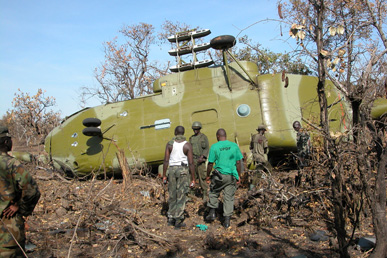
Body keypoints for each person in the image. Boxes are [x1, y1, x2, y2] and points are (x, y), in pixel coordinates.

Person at [0, 126, 41, 257]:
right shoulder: (11, 164)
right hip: (8, 231)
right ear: (6, 142)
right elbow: (32, 191)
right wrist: (21, 208)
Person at [205, 128, 243, 228]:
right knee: (229, 197)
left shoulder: (214, 146)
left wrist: (208, 175)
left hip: (219, 175)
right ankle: (227, 221)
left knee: (213, 192)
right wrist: (238, 175)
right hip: (231, 176)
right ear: (225, 136)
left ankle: (212, 213)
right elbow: (238, 162)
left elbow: (210, 163)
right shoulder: (234, 146)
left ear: (218, 136)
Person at [162, 126, 195, 229]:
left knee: (172, 194)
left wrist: (164, 175)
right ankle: (178, 220)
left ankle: (171, 218)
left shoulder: (170, 144)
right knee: (181, 194)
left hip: (171, 170)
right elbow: (191, 163)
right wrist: (193, 178)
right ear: (183, 132)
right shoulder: (187, 145)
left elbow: (166, 160)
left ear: (175, 132)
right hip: (183, 170)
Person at [189, 121, 209, 202]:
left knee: (202, 177)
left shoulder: (203, 137)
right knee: (192, 177)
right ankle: (191, 194)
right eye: (194, 129)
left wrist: (203, 157)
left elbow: (207, 148)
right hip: (193, 160)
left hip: (201, 160)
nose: (195, 131)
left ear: (200, 129)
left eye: (197, 129)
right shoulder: (191, 138)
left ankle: (204, 194)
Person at [249, 124, 272, 190]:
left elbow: (251, 147)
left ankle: (261, 183)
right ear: (262, 131)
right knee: (268, 170)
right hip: (261, 158)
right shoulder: (264, 138)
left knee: (261, 170)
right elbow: (265, 150)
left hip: (255, 157)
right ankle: (268, 185)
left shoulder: (253, 137)